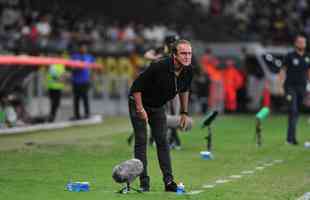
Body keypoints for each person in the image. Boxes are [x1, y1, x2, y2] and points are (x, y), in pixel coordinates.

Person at [128, 39, 193, 192]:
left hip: (158, 107)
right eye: (183, 53)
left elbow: (184, 90)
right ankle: (144, 183)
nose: (187, 57)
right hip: (138, 102)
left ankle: (169, 182)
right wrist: (140, 109)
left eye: (189, 53)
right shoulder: (159, 66)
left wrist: (184, 112)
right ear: (174, 55)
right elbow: (135, 87)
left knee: (162, 141)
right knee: (141, 141)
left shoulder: (189, 70)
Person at [280, 34, 310, 145]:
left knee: (297, 113)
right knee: (293, 111)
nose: (303, 44)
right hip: (290, 87)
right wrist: (280, 86)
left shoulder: (307, 56)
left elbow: (308, 72)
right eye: (300, 42)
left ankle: (291, 137)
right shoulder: (289, 56)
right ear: (296, 44)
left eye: (304, 42)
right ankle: (290, 139)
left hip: (303, 88)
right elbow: (282, 71)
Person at [71, 44, 94, 120]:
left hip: (85, 81)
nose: (83, 49)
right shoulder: (75, 57)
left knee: (85, 98)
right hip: (76, 81)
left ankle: (87, 114)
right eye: (82, 48)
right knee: (76, 99)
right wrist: (77, 67)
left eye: (84, 48)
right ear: (79, 48)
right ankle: (77, 115)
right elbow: (71, 68)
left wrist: (91, 76)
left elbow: (93, 66)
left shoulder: (89, 57)